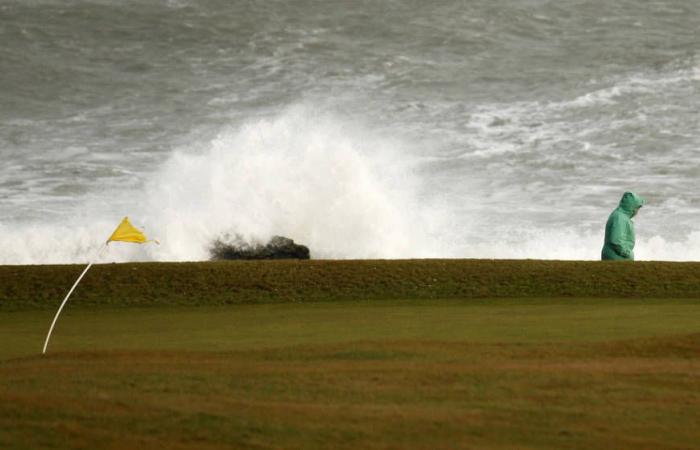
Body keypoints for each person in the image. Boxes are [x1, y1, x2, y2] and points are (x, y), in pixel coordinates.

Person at [601, 192, 645, 260]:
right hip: (616, 257)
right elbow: (616, 241)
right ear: (631, 207)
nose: (637, 211)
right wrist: (628, 254)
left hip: (617, 256)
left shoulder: (621, 216)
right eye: (637, 208)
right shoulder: (619, 218)